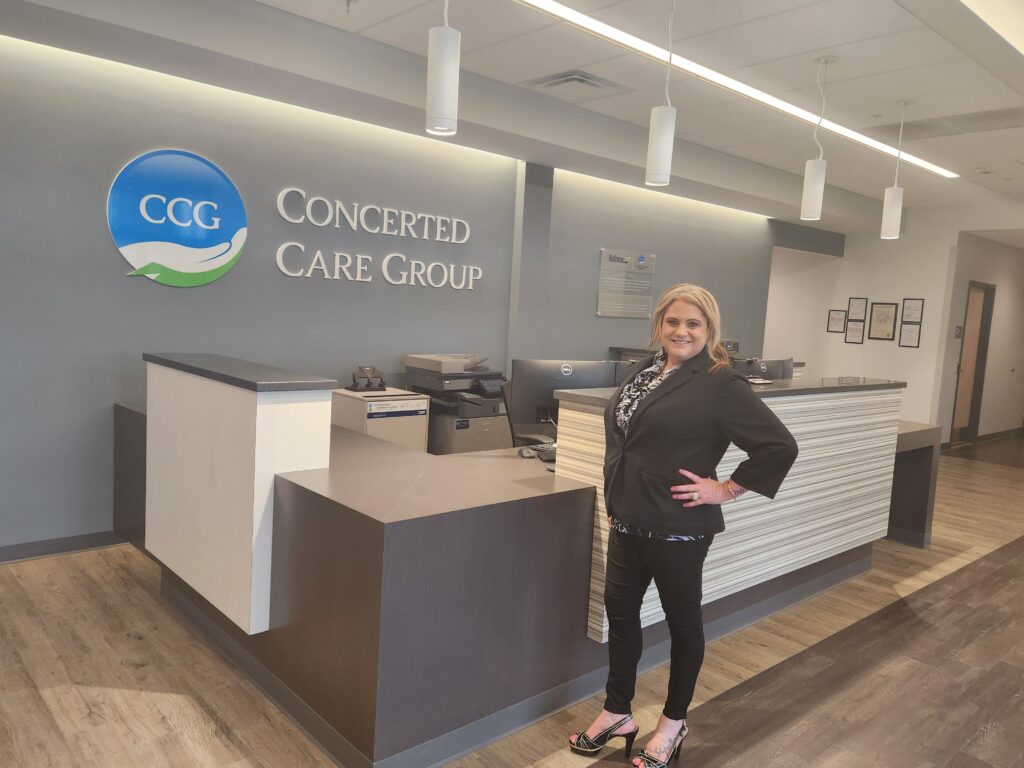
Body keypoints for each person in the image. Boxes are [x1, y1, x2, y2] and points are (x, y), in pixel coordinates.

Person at [568, 284, 798, 767]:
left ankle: (673, 722)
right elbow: (628, 443)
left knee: (682, 624)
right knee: (622, 616)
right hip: (627, 518)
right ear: (659, 325)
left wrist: (725, 489)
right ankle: (617, 712)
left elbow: (779, 446)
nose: (681, 331)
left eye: (693, 323)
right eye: (673, 321)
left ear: (709, 330)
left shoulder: (721, 383)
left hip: (678, 527)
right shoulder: (643, 372)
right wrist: (618, 494)